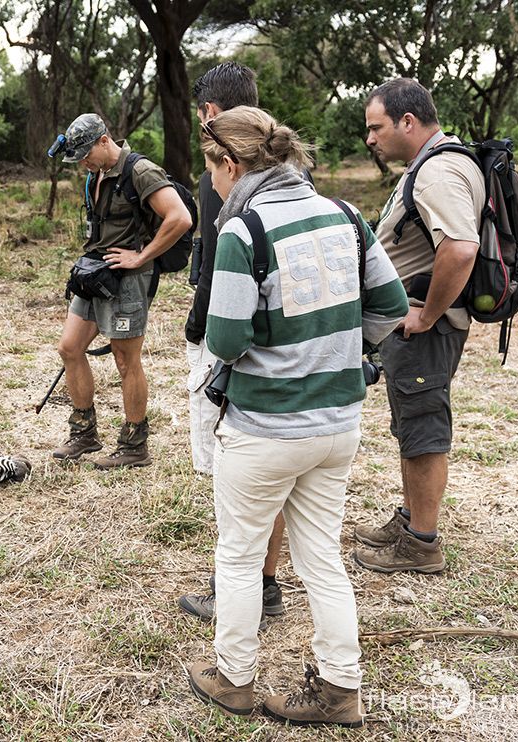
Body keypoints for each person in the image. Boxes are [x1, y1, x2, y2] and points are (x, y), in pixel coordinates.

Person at [185, 106, 408, 727]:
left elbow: (225, 340)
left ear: (231, 165)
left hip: (264, 428)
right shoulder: (345, 215)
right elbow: (391, 305)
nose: (213, 182)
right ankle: (340, 688)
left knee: (238, 555)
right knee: (322, 559)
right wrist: (336, 350)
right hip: (337, 423)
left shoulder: (243, 232)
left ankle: (234, 678)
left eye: (212, 169)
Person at [351, 78, 483, 574]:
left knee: (424, 428)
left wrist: (425, 314)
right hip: (415, 327)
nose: (370, 138)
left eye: (376, 127)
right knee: (411, 424)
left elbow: (460, 248)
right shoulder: (437, 162)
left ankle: (421, 544)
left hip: (425, 328)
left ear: (407, 121)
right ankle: (409, 521)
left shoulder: (437, 172)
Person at [177, 62, 288, 628]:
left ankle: (235, 589)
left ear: (210, 114)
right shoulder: (287, 165)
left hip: (231, 337)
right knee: (273, 481)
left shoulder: (223, 172)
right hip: (286, 341)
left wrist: (197, 331)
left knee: (230, 469)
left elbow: (220, 270)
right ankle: (265, 583)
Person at [51, 113, 193, 468]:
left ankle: (134, 445)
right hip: (96, 273)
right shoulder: (95, 174)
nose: (83, 163)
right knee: (70, 347)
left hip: (129, 279)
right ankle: (84, 433)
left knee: (125, 359)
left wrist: (141, 256)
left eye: (86, 154)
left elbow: (180, 218)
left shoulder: (141, 171)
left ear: (105, 140)